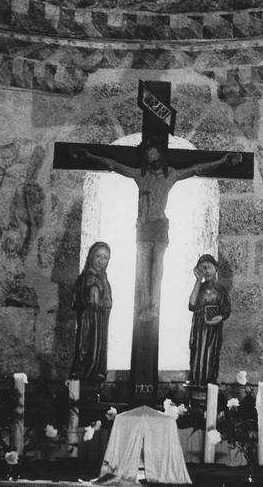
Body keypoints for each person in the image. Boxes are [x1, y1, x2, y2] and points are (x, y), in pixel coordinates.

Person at [70, 142, 241, 315]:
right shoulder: (140, 175)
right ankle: (144, 306)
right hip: (144, 226)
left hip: (160, 225)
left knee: (157, 267)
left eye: (155, 153)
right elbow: (113, 165)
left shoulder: (170, 175)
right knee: (143, 266)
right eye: (149, 155)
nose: (152, 158)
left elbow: (196, 169)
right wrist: (89, 156)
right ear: (145, 159)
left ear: (161, 156)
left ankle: (154, 306)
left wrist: (222, 162)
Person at [70, 241, 113, 380]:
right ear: (91, 257)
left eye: (105, 257)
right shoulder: (89, 278)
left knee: (97, 356)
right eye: (98, 256)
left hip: (100, 325)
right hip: (90, 323)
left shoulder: (103, 278)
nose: (101, 261)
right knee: (88, 354)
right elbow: (91, 301)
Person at [188, 254, 231, 385]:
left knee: (210, 358)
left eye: (208, 267)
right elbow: (191, 305)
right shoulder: (199, 288)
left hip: (213, 331)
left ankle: (209, 386)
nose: (206, 271)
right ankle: (196, 384)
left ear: (215, 268)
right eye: (202, 268)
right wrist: (197, 280)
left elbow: (226, 310)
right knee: (197, 358)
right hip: (199, 329)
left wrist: (220, 317)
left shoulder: (221, 291)